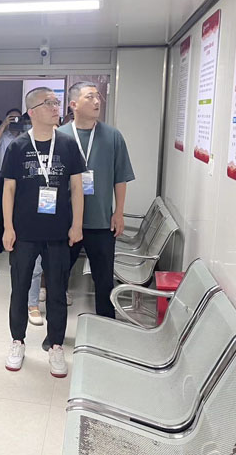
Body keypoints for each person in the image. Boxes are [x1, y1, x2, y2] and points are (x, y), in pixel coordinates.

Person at [1, 87, 84, 378]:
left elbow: (77, 187)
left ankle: (56, 345)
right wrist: (8, 227)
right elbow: (8, 189)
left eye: (56, 102)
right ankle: (17, 341)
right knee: (20, 288)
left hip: (58, 231)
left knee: (58, 291)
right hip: (24, 231)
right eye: (48, 103)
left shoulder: (68, 144)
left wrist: (77, 224)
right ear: (32, 111)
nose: (55, 107)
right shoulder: (18, 146)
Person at [58, 82, 135, 318]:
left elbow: (120, 177)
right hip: (66, 223)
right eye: (90, 97)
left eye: (98, 96)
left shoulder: (112, 136)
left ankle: (106, 325)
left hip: (101, 221)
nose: (96, 101)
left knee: (104, 280)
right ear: (73, 104)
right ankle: (56, 332)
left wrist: (119, 212)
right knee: (58, 277)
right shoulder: (60, 136)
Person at [0, 108, 24, 253]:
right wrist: (4, 124)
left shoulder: (26, 136)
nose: (15, 121)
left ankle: (18, 241)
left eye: (18, 118)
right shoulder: (3, 136)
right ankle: (0, 243)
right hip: (4, 175)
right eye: (12, 118)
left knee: (20, 209)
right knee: (3, 209)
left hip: (22, 176)